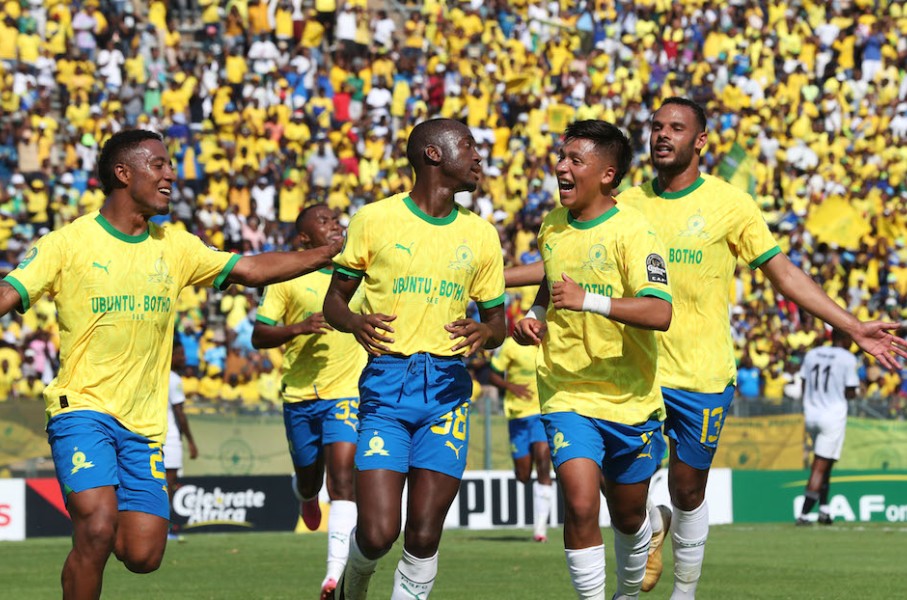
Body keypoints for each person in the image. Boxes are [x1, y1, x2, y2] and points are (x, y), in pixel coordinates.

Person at [504, 98, 907, 598]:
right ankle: (648, 526)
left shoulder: (730, 204)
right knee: (615, 496)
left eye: (676, 128)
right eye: (656, 126)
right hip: (634, 374)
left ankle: (684, 592)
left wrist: (852, 326)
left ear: (700, 141)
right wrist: (494, 278)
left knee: (688, 489)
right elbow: (565, 261)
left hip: (700, 373)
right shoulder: (625, 203)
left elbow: (783, 274)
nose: (662, 135)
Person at [0, 129, 341, 599]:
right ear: (123, 173)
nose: (171, 175)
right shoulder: (68, 243)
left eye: (170, 165)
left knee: (143, 555)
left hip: (144, 425)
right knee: (96, 529)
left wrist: (325, 254)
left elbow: (251, 270)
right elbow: (9, 291)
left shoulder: (176, 247)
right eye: (158, 165)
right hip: (82, 408)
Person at [323, 118, 506, 600]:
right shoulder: (374, 220)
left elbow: (499, 324)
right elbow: (334, 302)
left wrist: (486, 331)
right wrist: (353, 322)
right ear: (433, 154)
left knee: (423, 536)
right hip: (386, 387)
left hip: (446, 389)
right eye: (467, 145)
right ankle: (354, 581)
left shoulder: (482, 235)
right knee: (378, 532)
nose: (478, 156)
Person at [512, 119, 673, 600]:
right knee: (581, 505)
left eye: (575, 160)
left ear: (607, 174)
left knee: (628, 517)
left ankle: (629, 587)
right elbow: (551, 284)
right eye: (561, 157)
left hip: (630, 399)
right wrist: (535, 315)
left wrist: (590, 302)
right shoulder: (552, 226)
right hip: (567, 391)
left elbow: (660, 312)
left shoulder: (635, 231)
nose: (561, 167)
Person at [251, 203, 367, 600]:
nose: (334, 224)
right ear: (304, 237)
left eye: (336, 219)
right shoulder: (287, 278)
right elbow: (259, 335)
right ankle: (304, 494)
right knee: (309, 479)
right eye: (323, 221)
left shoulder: (356, 272)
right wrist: (299, 327)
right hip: (300, 395)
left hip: (346, 392)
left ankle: (333, 574)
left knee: (343, 479)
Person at [488, 335, 553, 543]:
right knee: (523, 475)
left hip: (541, 412)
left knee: (543, 462)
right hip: (517, 415)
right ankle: (526, 475)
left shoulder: (549, 342)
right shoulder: (510, 345)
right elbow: (492, 375)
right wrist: (511, 387)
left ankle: (540, 529)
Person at [796, 329, 860, 526]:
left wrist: (811, 403)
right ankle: (804, 514)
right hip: (832, 416)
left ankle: (824, 510)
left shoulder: (813, 353)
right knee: (820, 465)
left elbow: (804, 383)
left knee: (826, 463)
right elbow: (850, 392)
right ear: (844, 339)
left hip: (811, 414)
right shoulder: (847, 358)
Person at [164, 337, 198, 541]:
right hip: (169, 438)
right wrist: (191, 442)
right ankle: (164, 530)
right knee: (168, 484)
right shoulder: (174, 379)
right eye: (180, 354)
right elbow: (180, 413)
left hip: (154, 435)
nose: (184, 358)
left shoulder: (156, 375)